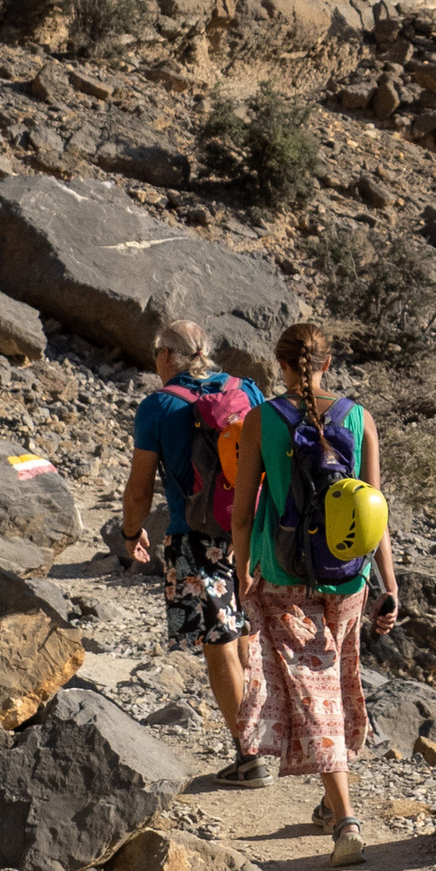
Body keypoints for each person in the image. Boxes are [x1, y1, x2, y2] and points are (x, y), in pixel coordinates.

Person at [232, 318, 396, 868]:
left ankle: (346, 817)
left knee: (314, 688)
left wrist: (242, 568)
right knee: (337, 675)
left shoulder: (260, 420)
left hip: (282, 573)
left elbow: (240, 514)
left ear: (280, 365)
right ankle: (333, 805)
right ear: (328, 363)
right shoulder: (359, 417)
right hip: (349, 574)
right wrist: (388, 585)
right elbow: (375, 511)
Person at [118, 318, 262, 786]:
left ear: (165, 356)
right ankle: (258, 739)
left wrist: (129, 532)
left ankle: (249, 753)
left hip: (195, 535)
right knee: (242, 628)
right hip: (252, 531)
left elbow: (140, 488)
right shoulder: (249, 391)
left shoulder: (158, 406)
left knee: (216, 638)